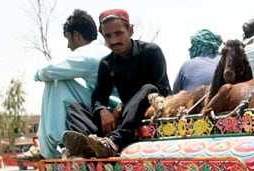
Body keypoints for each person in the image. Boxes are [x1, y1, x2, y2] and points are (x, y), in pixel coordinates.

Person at [64, 8, 171, 158]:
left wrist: (120, 108)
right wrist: (103, 111)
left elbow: (163, 91)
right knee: (74, 108)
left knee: (149, 89)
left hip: (148, 113)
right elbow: (98, 98)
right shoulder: (107, 64)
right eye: (108, 36)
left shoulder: (151, 52)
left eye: (118, 33)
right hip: (124, 119)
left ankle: (114, 142)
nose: (113, 40)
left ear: (130, 30)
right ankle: (89, 147)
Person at [19, 9, 111, 160]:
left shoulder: (88, 54)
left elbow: (45, 71)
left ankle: (48, 149)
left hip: (105, 112)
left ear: (76, 35)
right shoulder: (104, 50)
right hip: (108, 109)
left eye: (68, 39)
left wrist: (36, 75)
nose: (68, 46)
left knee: (56, 82)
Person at [172, 29, 222, 93]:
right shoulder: (225, 62)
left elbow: (174, 95)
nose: (190, 49)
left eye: (193, 45)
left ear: (197, 45)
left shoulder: (187, 65)